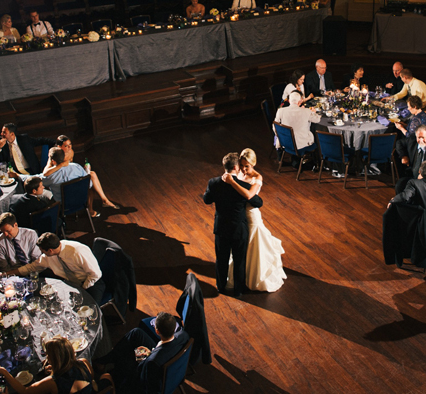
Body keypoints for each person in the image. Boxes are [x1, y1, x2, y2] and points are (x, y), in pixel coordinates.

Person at [223, 149, 286, 292]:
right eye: (242, 165)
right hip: (239, 215)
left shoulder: (257, 177)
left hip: (251, 216)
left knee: (254, 243)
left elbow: (250, 195)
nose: (244, 169)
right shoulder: (238, 173)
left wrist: (232, 183)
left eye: (247, 166)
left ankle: (256, 276)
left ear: (254, 164)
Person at [202, 152, 264, 297]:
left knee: (221, 259)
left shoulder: (213, 182)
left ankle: (221, 286)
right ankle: (239, 289)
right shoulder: (243, 186)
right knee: (239, 260)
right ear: (236, 167)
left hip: (221, 228)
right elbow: (258, 202)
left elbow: (207, 200)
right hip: (239, 229)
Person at [94, 312, 189, 392]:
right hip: (165, 354)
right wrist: (151, 353)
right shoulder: (184, 335)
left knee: (125, 358)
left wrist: (145, 359)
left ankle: (110, 373)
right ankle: (104, 361)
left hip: (149, 373)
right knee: (136, 333)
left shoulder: (152, 362)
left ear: (157, 331)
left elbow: (144, 384)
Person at [0, 336, 112, 394]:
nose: (46, 358)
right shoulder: (84, 363)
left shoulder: (52, 382)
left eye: (48, 355)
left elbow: (24, 391)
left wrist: (4, 372)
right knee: (106, 376)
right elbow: (91, 379)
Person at [385, 161, 426, 268]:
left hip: (419, 229)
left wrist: (392, 200)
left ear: (420, 171)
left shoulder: (414, 183)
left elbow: (405, 196)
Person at [16, 232, 104, 301]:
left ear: (50, 250)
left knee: (90, 311)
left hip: (91, 284)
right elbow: (33, 267)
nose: (42, 254)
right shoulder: (49, 256)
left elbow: (95, 274)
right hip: (72, 283)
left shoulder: (77, 251)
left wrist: (82, 288)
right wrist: (10, 273)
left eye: (43, 251)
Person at [30, 147, 116, 216]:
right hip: (81, 200)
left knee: (41, 191)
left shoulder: (50, 176)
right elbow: (89, 185)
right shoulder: (77, 167)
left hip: (63, 205)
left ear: (52, 161)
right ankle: (91, 210)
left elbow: (41, 180)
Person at [51, 136, 118, 211]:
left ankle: (102, 200)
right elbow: (49, 171)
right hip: (63, 180)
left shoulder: (71, 152)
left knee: (92, 175)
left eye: (70, 144)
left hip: (70, 176)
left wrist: (83, 170)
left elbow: (71, 168)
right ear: (59, 147)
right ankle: (95, 207)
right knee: (90, 180)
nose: (69, 147)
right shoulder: (55, 156)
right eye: (66, 146)